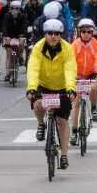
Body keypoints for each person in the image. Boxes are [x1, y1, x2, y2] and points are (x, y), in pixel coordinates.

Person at [26, 18, 76, 168]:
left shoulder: (67, 48)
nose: (53, 36)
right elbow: (33, 67)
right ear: (45, 34)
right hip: (43, 85)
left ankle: (64, 155)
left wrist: (70, 88)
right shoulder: (38, 48)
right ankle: (41, 124)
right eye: (49, 33)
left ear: (60, 35)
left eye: (56, 33)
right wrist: (32, 87)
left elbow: (70, 68)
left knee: (62, 122)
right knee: (38, 105)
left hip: (62, 87)